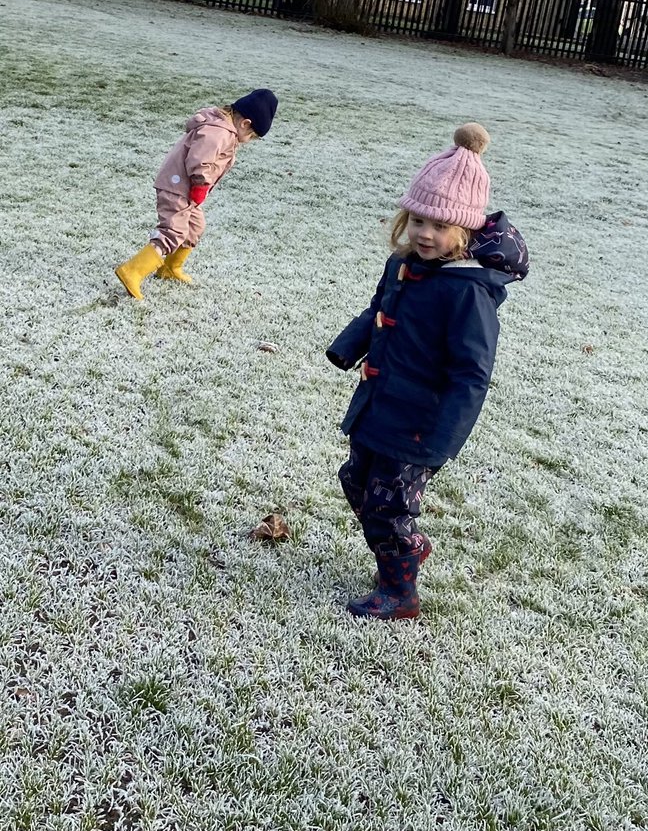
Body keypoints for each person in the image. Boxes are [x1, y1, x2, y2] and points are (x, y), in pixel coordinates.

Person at [326, 123, 528, 620]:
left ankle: (400, 592)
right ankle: (405, 548)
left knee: (388, 506)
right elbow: (380, 307)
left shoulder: (467, 292)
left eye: (438, 226)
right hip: (378, 404)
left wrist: (444, 439)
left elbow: (471, 373)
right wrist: (349, 344)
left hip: (420, 424)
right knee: (356, 480)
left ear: (464, 231)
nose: (424, 233)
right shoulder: (401, 266)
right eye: (417, 220)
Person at [115, 89, 278, 300]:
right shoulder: (219, 132)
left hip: (186, 189)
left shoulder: (222, 128)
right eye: (252, 136)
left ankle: (170, 268)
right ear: (245, 123)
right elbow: (200, 160)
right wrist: (201, 185)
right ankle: (132, 271)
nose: (248, 141)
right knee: (173, 231)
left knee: (194, 227)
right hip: (178, 187)